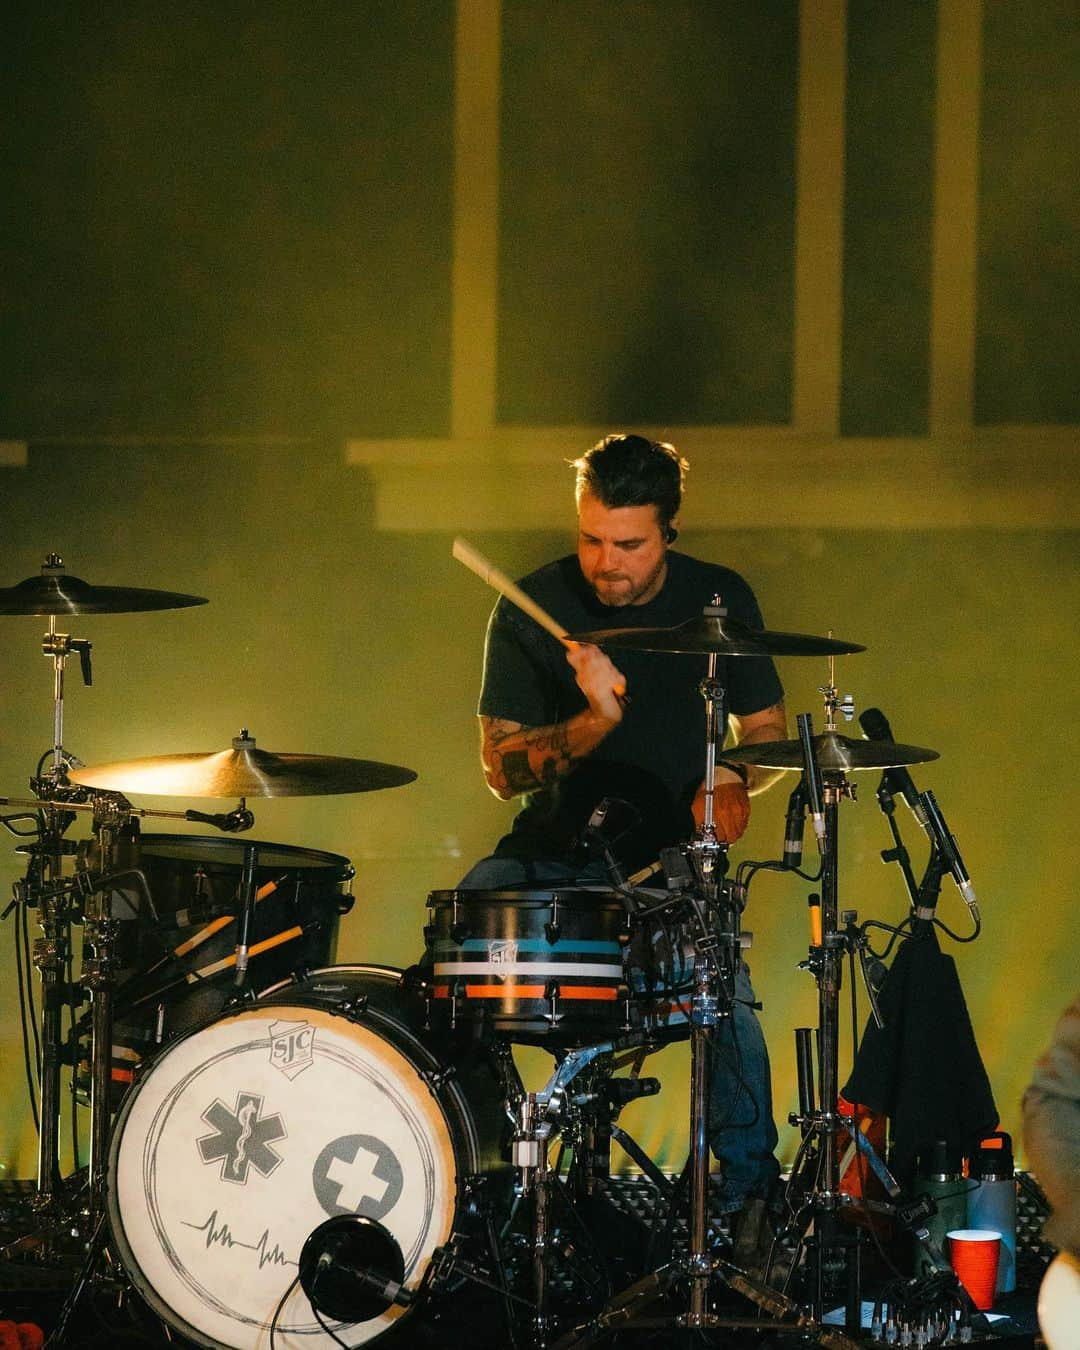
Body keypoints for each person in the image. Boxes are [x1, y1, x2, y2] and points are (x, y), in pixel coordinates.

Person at [458, 433, 788, 1226]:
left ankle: (747, 1208)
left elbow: (768, 732)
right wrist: (595, 720)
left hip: (665, 876)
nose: (607, 563)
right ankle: (471, 1179)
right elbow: (501, 772)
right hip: (551, 867)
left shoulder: (721, 599)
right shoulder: (532, 605)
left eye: (630, 545)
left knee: (726, 1002)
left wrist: (735, 777)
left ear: (668, 532)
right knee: (463, 933)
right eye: (592, 539)